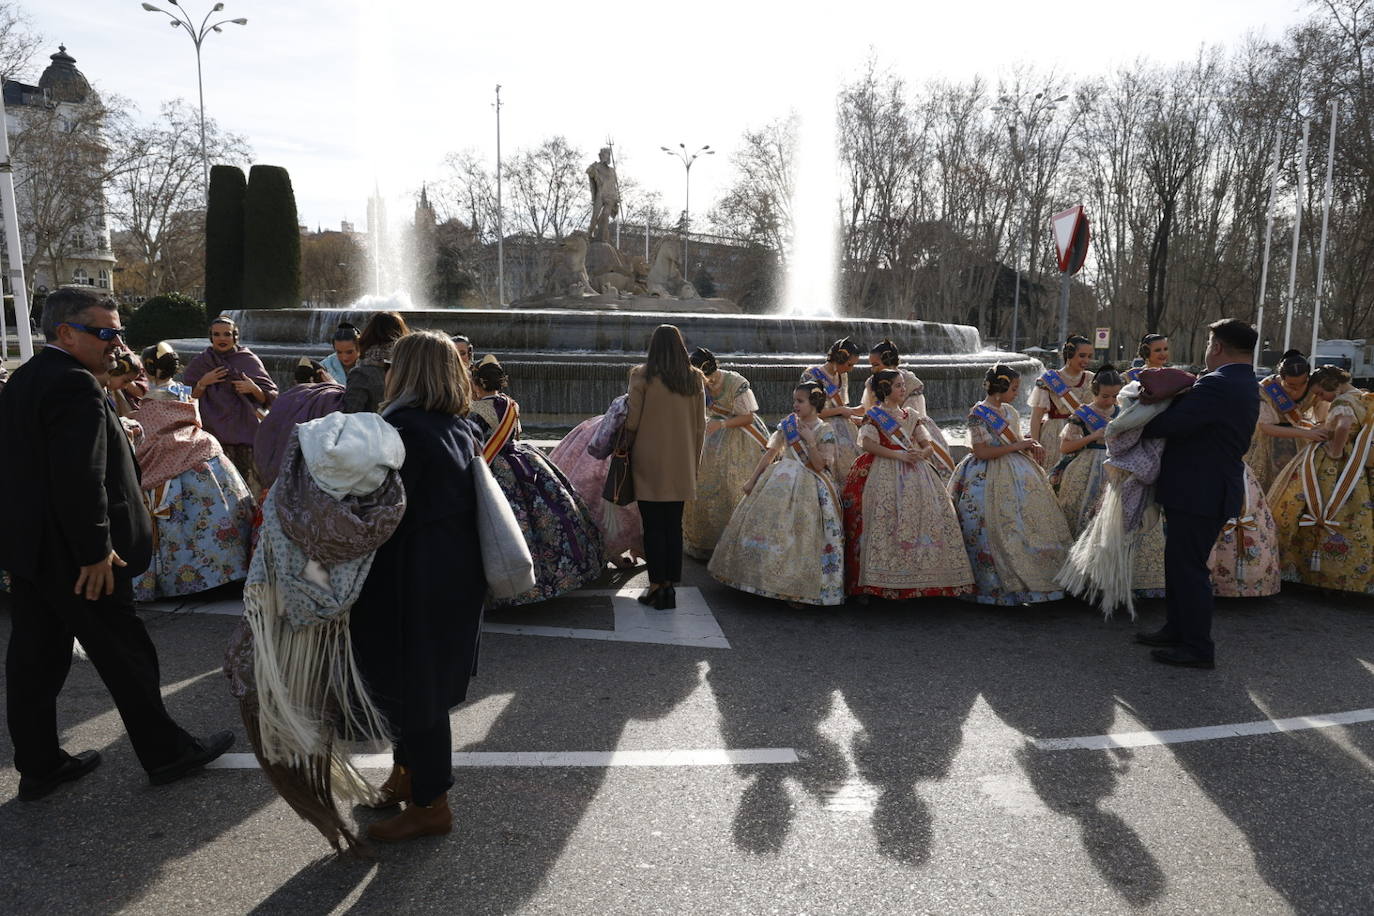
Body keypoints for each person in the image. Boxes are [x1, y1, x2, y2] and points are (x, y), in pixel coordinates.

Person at [0, 289, 232, 801]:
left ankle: (39, 764)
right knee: (126, 655)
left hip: (37, 553)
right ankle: (167, 753)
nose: (117, 342)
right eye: (105, 333)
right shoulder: (73, 386)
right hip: (80, 559)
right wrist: (95, 551)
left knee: (35, 660)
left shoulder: (27, 379)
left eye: (118, 331)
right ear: (66, 333)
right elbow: (80, 478)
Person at [349, 330, 487, 842]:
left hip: (413, 579)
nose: (385, 373)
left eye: (392, 365)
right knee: (418, 689)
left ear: (406, 373)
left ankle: (431, 804)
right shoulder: (457, 426)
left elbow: (375, 512)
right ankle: (407, 777)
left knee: (416, 692)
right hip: (450, 575)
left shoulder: (402, 429)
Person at [1136, 318, 1260, 668]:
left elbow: (1168, 426)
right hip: (1204, 487)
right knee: (1178, 564)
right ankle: (1177, 629)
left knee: (1189, 568)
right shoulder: (1242, 379)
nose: (1207, 351)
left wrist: (1140, 412)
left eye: (1209, 344)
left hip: (1199, 490)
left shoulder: (1217, 384)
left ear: (1217, 347)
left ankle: (1197, 647)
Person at [469, 355, 604, 605]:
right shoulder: (511, 404)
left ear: (477, 383)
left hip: (495, 465)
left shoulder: (475, 409)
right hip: (522, 459)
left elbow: (475, 443)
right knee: (547, 511)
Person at [131, 342, 254, 602]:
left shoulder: (151, 401)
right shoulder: (183, 391)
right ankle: (227, 572)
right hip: (202, 451)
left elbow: (144, 435)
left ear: (149, 369)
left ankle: (180, 579)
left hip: (169, 460)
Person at [709, 382, 845, 607]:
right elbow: (771, 453)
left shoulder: (825, 430)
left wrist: (810, 440)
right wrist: (753, 480)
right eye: (794, 401)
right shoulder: (788, 425)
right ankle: (757, 578)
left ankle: (795, 588)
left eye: (800, 401)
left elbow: (820, 465)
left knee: (801, 535)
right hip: (779, 479)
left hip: (810, 485)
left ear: (814, 403)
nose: (795, 405)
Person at [843, 370, 972, 599]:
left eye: (903, 385)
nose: (903, 389)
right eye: (898, 386)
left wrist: (920, 453)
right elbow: (867, 443)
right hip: (882, 469)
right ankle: (878, 581)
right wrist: (899, 456)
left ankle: (925, 578)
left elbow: (928, 444)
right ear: (885, 389)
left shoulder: (911, 415)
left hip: (917, 470)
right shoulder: (874, 415)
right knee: (882, 518)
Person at [949, 365, 1072, 605]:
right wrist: (1019, 446)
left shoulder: (1010, 411)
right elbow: (982, 451)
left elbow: (1014, 438)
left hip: (1018, 471)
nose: (1017, 393)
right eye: (1013, 388)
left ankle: (1033, 579)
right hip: (984, 474)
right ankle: (995, 586)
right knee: (989, 526)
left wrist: (1029, 442)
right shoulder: (978, 414)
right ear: (1000, 388)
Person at [1057, 366, 1167, 600]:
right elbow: (1065, 447)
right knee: (1085, 519)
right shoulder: (1081, 415)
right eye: (1104, 395)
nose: (1110, 400)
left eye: (1115, 395)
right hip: (1088, 468)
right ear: (1094, 391)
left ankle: (1126, 580)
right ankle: (1084, 579)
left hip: (1119, 470)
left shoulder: (1125, 412)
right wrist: (1092, 437)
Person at [1268, 365, 1374, 595]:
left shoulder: (1342, 402)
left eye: (1319, 393)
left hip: (1333, 468)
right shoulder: (1360, 395)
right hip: (1356, 466)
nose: (1318, 398)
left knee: (1306, 506)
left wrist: (1335, 451)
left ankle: (1309, 569)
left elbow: (1344, 425)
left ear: (1330, 384)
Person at [627, 325, 707, 610]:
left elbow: (632, 421)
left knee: (652, 526)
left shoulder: (642, 375)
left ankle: (656, 585)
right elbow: (701, 427)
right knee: (673, 526)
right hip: (681, 461)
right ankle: (670, 587)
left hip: (648, 460)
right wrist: (692, 464)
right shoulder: (694, 378)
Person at [683, 347, 770, 559]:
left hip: (741, 435)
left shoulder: (736, 383)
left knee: (732, 485)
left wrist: (721, 425)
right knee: (704, 484)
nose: (709, 382)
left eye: (710, 377)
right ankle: (705, 542)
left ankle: (735, 543)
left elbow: (748, 418)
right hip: (712, 436)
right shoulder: (696, 382)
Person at [547, 390, 644, 567]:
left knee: (605, 496)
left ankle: (615, 548)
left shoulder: (629, 396)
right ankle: (620, 548)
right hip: (624, 442)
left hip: (607, 437)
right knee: (620, 497)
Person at [183, 315, 277, 494]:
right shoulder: (200, 363)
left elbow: (270, 396)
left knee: (249, 490)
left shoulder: (248, 360)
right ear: (211, 337)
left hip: (245, 435)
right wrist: (203, 382)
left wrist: (253, 388)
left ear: (235, 336)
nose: (222, 339)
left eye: (227, 334)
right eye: (217, 334)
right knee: (218, 491)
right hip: (212, 436)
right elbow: (187, 400)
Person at [862, 339, 956, 477]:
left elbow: (913, 416)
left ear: (889, 362)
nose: (872, 369)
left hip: (910, 430)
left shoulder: (910, 382)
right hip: (881, 432)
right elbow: (869, 407)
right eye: (871, 365)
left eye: (876, 364)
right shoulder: (872, 382)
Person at [252, 358, 347, 491]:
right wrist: (334, 383)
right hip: (315, 479)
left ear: (295, 381)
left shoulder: (285, 398)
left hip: (277, 475)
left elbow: (266, 433)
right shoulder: (330, 397)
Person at [1245, 350, 1328, 493]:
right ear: (1281, 377)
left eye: (1302, 384)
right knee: (1266, 487)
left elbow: (1323, 419)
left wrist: (1319, 429)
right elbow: (1264, 426)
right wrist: (1305, 433)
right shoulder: (1266, 388)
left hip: (1300, 444)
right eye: (1290, 385)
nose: (1296, 390)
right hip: (1267, 444)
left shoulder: (1314, 388)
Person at [801, 338, 866, 482]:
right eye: (849, 364)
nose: (851, 368)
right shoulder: (811, 375)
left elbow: (842, 406)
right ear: (839, 358)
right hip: (818, 427)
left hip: (844, 427)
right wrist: (841, 411)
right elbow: (809, 412)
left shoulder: (842, 376)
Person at [1029, 335, 1095, 471]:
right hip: (1054, 435)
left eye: (1089, 356)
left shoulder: (1091, 379)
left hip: (1083, 434)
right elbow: (1036, 417)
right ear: (1069, 354)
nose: (1086, 360)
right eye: (1082, 355)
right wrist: (1035, 445)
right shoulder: (1049, 380)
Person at [342, 311, 409, 414]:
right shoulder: (411, 369)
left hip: (376, 429)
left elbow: (351, 415)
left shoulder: (361, 374)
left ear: (368, 334)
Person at [106, 350, 149, 419]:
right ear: (115, 371)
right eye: (125, 381)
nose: (125, 387)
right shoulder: (97, 393)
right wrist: (125, 418)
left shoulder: (110, 393)